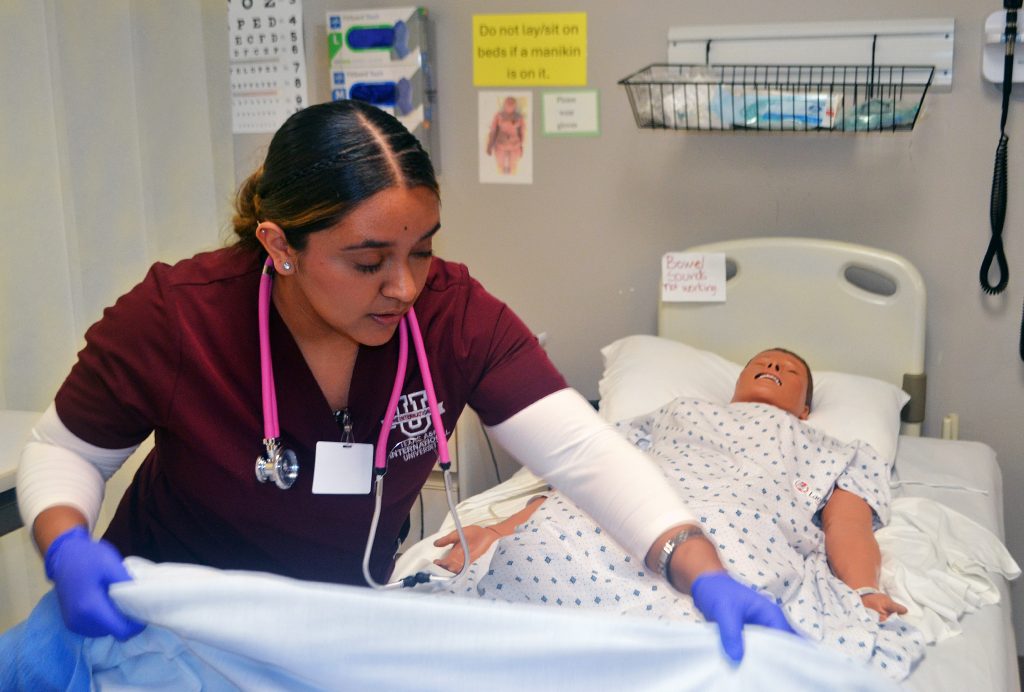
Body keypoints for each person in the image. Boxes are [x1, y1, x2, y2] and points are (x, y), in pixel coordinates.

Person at [16, 100, 791, 661]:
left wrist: (699, 568)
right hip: (157, 620)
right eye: (368, 260)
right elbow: (67, 452)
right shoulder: (178, 318)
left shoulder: (454, 317)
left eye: (421, 249)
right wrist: (66, 546)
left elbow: (585, 455)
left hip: (324, 638)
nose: (405, 286)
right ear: (280, 245)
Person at [431, 348, 920, 679]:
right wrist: (500, 527)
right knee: (535, 556)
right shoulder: (676, 411)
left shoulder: (832, 447)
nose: (772, 365)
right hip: (638, 507)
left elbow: (847, 525)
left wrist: (864, 590)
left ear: (807, 408)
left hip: (738, 526)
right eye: (761, 362)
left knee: (714, 618)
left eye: (788, 370)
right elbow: (595, 475)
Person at [485, 96, 525, 175]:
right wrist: (489, 146)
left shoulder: (519, 117)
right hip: (500, 145)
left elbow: (522, 132)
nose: (510, 105)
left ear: (515, 106)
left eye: (512, 104)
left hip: (515, 146)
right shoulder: (498, 116)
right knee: (500, 167)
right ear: (504, 105)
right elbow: (493, 131)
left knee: (514, 167)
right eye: (508, 103)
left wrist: (521, 146)